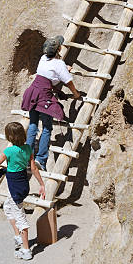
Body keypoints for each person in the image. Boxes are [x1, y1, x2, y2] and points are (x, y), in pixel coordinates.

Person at [21, 35, 81, 171]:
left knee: (33, 125)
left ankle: (26, 158)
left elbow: (52, 67)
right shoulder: (59, 64)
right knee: (47, 127)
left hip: (33, 92)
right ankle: (40, 160)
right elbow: (68, 82)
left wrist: (64, 67)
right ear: (59, 49)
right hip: (43, 96)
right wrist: (76, 94)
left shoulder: (43, 59)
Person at [0, 121, 45, 261]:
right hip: (23, 184)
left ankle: (26, 250)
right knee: (8, 207)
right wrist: (42, 184)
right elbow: (33, 169)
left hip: (15, 187)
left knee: (20, 217)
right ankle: (18, 237)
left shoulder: (9, 151)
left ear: (9, 137)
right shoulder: (28, 149)